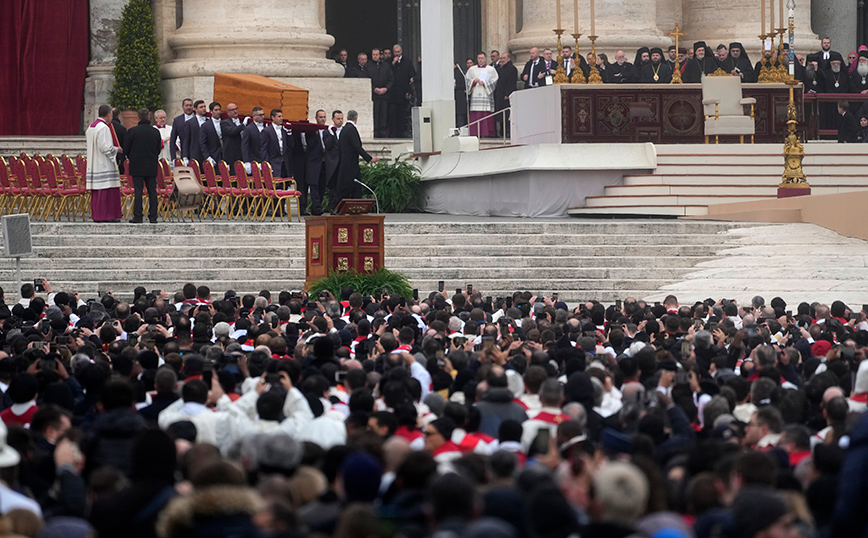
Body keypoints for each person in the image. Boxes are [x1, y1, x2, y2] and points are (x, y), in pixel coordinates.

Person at [123, 108, 162, 224]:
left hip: (137, 165)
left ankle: (138, 216)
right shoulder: (155, 132)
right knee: (152, 191)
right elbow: (158, 149)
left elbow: (126, 149)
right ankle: (153, 216)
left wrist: (132, 157)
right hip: (151, 164)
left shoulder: (132, 131)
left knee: (138, 191)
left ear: (138, 118)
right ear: (149, 117)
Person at [85, 104, 123, 223]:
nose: (111, 118)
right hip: (103, 164)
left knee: (98, 192)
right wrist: (117, 150)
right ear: (107, 115)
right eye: (111, 115)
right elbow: (105, 147)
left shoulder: (91, 127)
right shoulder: (104, 128)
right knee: (106, 190)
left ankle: (98, 215)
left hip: (94, 162)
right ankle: (106, 215)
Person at [334, 110, 378, 207]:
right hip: (350, 165)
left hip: (346, 164)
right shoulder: (351, 129)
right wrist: (369, 158)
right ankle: (350, 208)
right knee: (349, 188)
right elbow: (357, 147)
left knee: (353, 188)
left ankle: (354, 208)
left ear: (347, 118)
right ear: (356, 118)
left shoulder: (344, 129)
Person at [304, 110, 334, 216]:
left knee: (322, 186)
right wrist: (316, 132)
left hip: (324, 163)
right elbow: (310, 144)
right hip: (314, 163)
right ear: (316, 118)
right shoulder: (311, 131)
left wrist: (330, 134)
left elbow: (330, 146)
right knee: (314, 186)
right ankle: (316, 208)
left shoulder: (327, 131)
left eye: (324, 117)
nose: (323, 119)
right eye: (321, 117)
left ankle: (317, 206)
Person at [465, 52, 499, 138]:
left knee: (485, 113)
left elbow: (495, 80)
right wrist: (473, 81)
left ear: (485, 58)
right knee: (475, 114)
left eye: (482, 58)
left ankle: (486, 133)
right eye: (479, 58)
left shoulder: (490, 69)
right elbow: (467, 80)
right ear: (477, 59)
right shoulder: (472, 69)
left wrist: (485, 83)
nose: (480, 60)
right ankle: (475, 133)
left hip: (485, 94)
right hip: (475, 94)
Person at [389, 44, 416, 138]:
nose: (396, 54)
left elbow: (411, 76)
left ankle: (401, 132)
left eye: (398, 52)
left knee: (402, 114)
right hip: (393, 93)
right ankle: (394, 132)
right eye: (395, 52)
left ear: (401, 52)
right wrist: (393, 64)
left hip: (403, 92)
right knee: (393, 114)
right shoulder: (390, 62)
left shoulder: (407, 62)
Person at [368, 48, 393, 138]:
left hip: (384, 95)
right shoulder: (368, 66)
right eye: (374, 54)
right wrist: (374, 89)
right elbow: (366, 80)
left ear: (380, 55)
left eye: (377, 54)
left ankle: (382, 131)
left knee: (383, 114)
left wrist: (386, 88)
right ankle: (375, 131)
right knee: (375, 113)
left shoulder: (386, 66)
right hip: (373, 95)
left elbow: (391, 79)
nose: (375, 56)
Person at [262, 108, 293, 179]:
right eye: (279, 116)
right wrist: (267, 165)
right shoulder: (267, 131)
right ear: (273, 117)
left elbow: (291, 145)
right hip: (273, 163)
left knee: (284, 185)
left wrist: (289, 133)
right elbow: (264, 149)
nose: (281, 118)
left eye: (282, 116)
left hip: (284, 163)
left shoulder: (284, 130)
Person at [494, 52, 517, 138]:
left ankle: (507, 132)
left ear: (508, 59)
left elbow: (512, 83)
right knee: (500, 115)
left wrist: (507, 93)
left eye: (504, 58)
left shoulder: (512, 69)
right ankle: (501, 132)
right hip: (499, 94)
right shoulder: (499, 68)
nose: (502, 60)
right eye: (501, 58)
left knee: (507, 115)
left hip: (507, 95)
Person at [181, 100, 207, 165]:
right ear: (195, 109)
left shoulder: (208, 121)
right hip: (195, 154)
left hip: (207, 154)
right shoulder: (189, 123)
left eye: (204, 106)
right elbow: (186, 140)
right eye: (201, 107)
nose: (203, 108)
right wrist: (185, 156)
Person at [241, 106, 267, 171]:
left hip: (266, 160)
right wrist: (246, 161)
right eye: (260, 115)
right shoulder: (248, 129)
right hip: (254, 160)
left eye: (263, 114)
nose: (263, 117)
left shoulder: (267, 127)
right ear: (254, 116)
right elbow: (245, 146)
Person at [111, 107, 127, 175]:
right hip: (119, 157)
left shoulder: (105, 126)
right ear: (119, 116)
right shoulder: (122, 129)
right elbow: (125, 144)